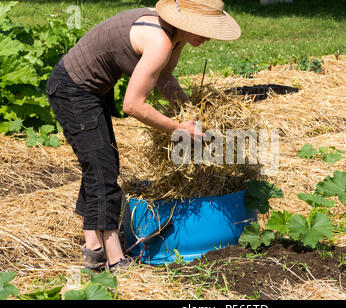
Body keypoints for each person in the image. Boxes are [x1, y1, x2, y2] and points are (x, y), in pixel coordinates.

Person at [45, 0, 241, 272]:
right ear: (187, 23)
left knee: (100, 164)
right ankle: (114, 258)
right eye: (203, 29)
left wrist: (188, 109)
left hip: (91, 90)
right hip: (72, 90)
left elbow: (164, 78)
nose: (207, 37)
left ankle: (92, 246)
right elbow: (133, 105)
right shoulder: (160, 41)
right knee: (102, 171)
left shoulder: (175, 36)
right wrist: (178, 128)